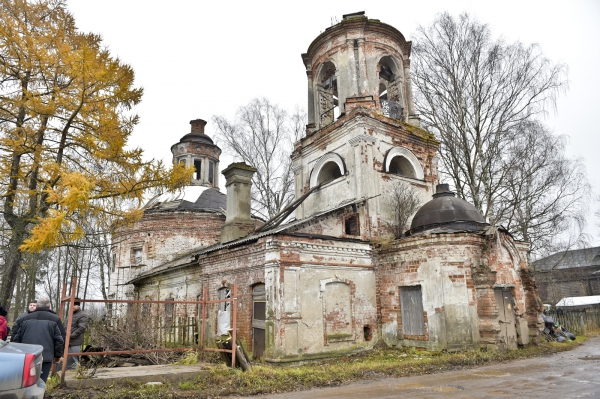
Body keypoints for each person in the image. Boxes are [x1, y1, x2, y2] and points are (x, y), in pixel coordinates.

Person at [12, 297, 65, 382]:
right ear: (49, 306)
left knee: (27, 381)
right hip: (46, 355)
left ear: (37, 306)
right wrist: (58, 355)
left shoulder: (25, 319)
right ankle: (41, 394)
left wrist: (16, 353)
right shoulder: (55, 319)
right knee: (42, 381)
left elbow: (16, 338)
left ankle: (28, 395)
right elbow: (60, 339)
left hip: (27, 355)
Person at [66, 298, 88, 369]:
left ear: (78, 306)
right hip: (67, 341)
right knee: (66, 361)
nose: (72, 306)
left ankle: (74, 376)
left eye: (75, 305)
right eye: (72, 304)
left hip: (74, 342)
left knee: (74, 362)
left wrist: (71, 336)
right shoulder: (70, 314)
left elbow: (82, 328)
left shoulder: (82, 315)